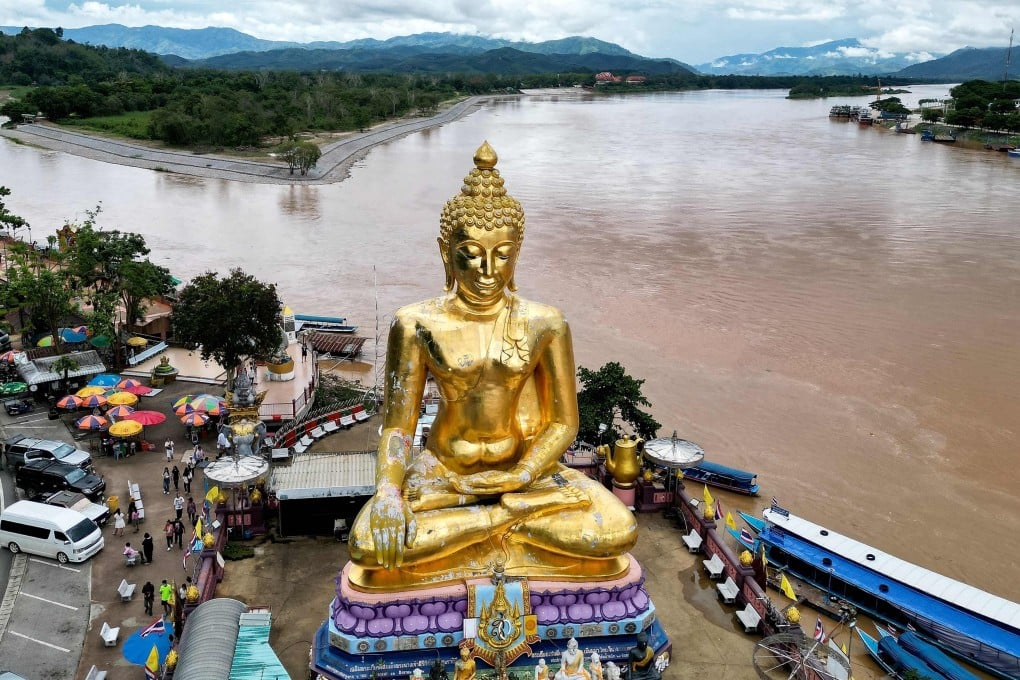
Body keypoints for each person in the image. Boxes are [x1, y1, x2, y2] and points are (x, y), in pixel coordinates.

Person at [348, 143, 636, 579]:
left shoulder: (545, 323)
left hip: (526, 477)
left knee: (617, 531)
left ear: (516, 254)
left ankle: (485, 522)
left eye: (502, 254)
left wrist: (520, 476)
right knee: (369, 546)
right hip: (443, 475)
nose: (487, 270)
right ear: (446, 252)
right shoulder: (415, 324)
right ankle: (502, 521)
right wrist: (389, 492)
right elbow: (398, 426)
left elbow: (563, 424)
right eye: (471, 252)